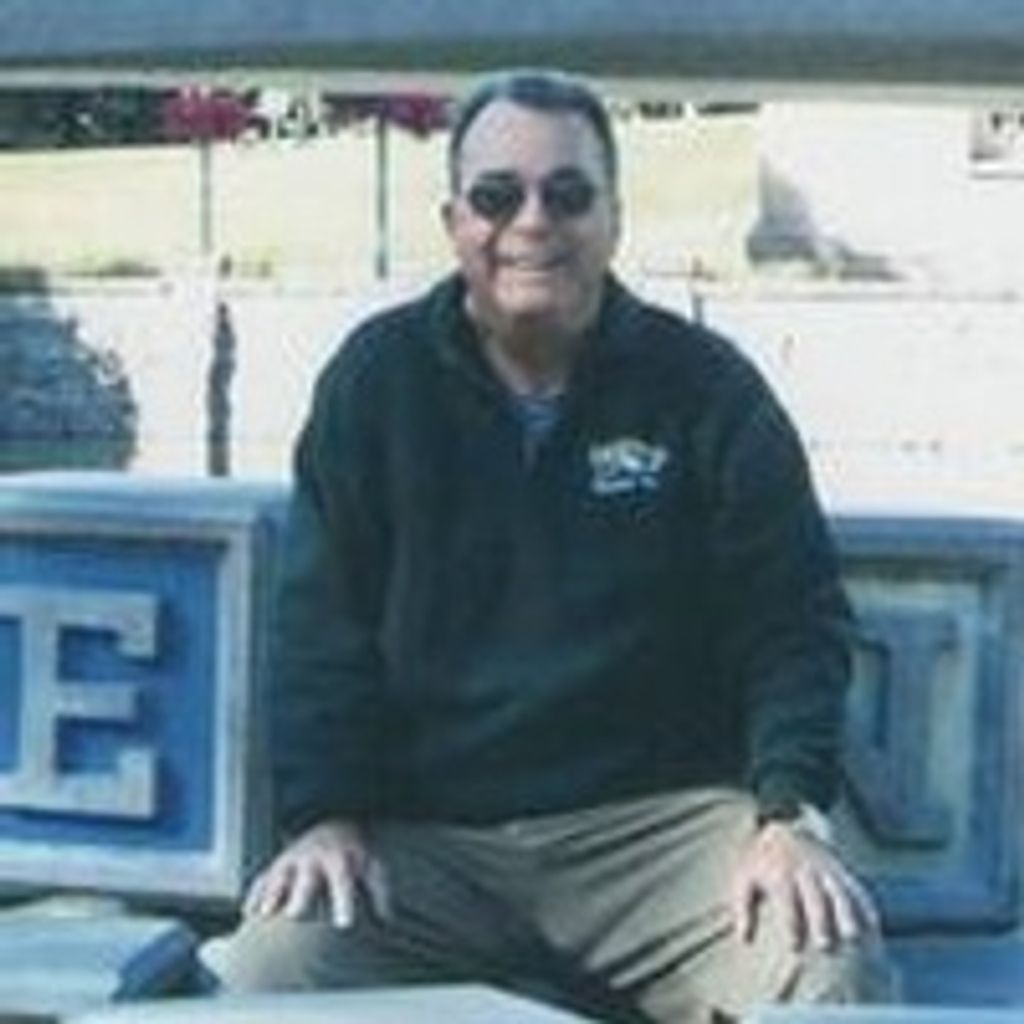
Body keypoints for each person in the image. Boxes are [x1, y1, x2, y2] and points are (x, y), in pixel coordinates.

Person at [202, 69, 896, 1022]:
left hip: (664, 837)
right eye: (498, 196)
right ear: (454, 221)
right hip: (427, 844)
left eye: (568, 195)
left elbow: (792, 621)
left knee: (825, 962)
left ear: (614, 220)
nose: (532, 223)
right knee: (262, 977)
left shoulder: (706, 389)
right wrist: (322, 815)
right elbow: (321, 629)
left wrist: (790, 815)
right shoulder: (376, 382)